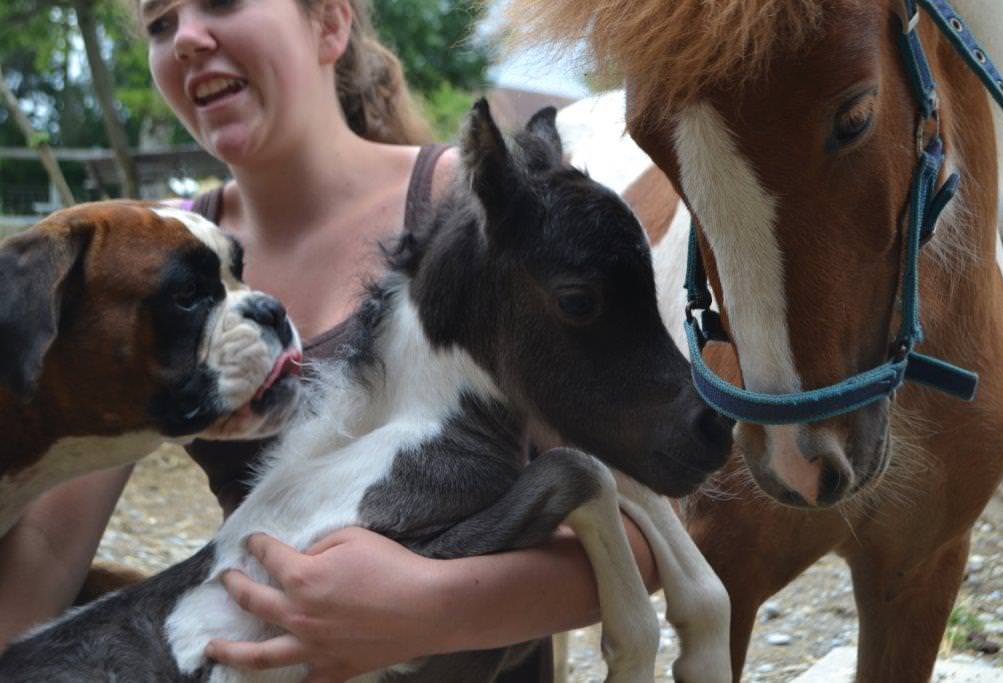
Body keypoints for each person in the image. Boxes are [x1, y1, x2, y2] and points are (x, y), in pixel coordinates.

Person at [0, 0, 659, 679]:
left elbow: (648, 533)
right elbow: (48, 547)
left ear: (331, 22)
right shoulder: (150, 254)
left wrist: (433, 607)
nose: (187, 38)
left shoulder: (479, 210)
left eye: (222, 1)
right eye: (160, 23)